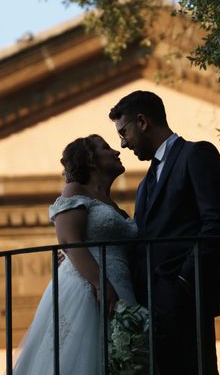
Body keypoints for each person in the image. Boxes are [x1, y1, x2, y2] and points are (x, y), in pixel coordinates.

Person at [109, 90, 220, 375]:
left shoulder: (196, 154)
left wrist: (184, 279)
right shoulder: (144, 184)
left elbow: (216, 223)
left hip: (186, 301)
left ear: (142, 122)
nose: (123, 143)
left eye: (123, 131)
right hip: (149, 306)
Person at [13, 134, 142, 374]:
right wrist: (100, 283)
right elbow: (70, 240)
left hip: (122, 286)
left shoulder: (112, 206)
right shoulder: (75, 190)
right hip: (88, 287)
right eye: (106, 148)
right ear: (91, 160)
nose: (117, 151)